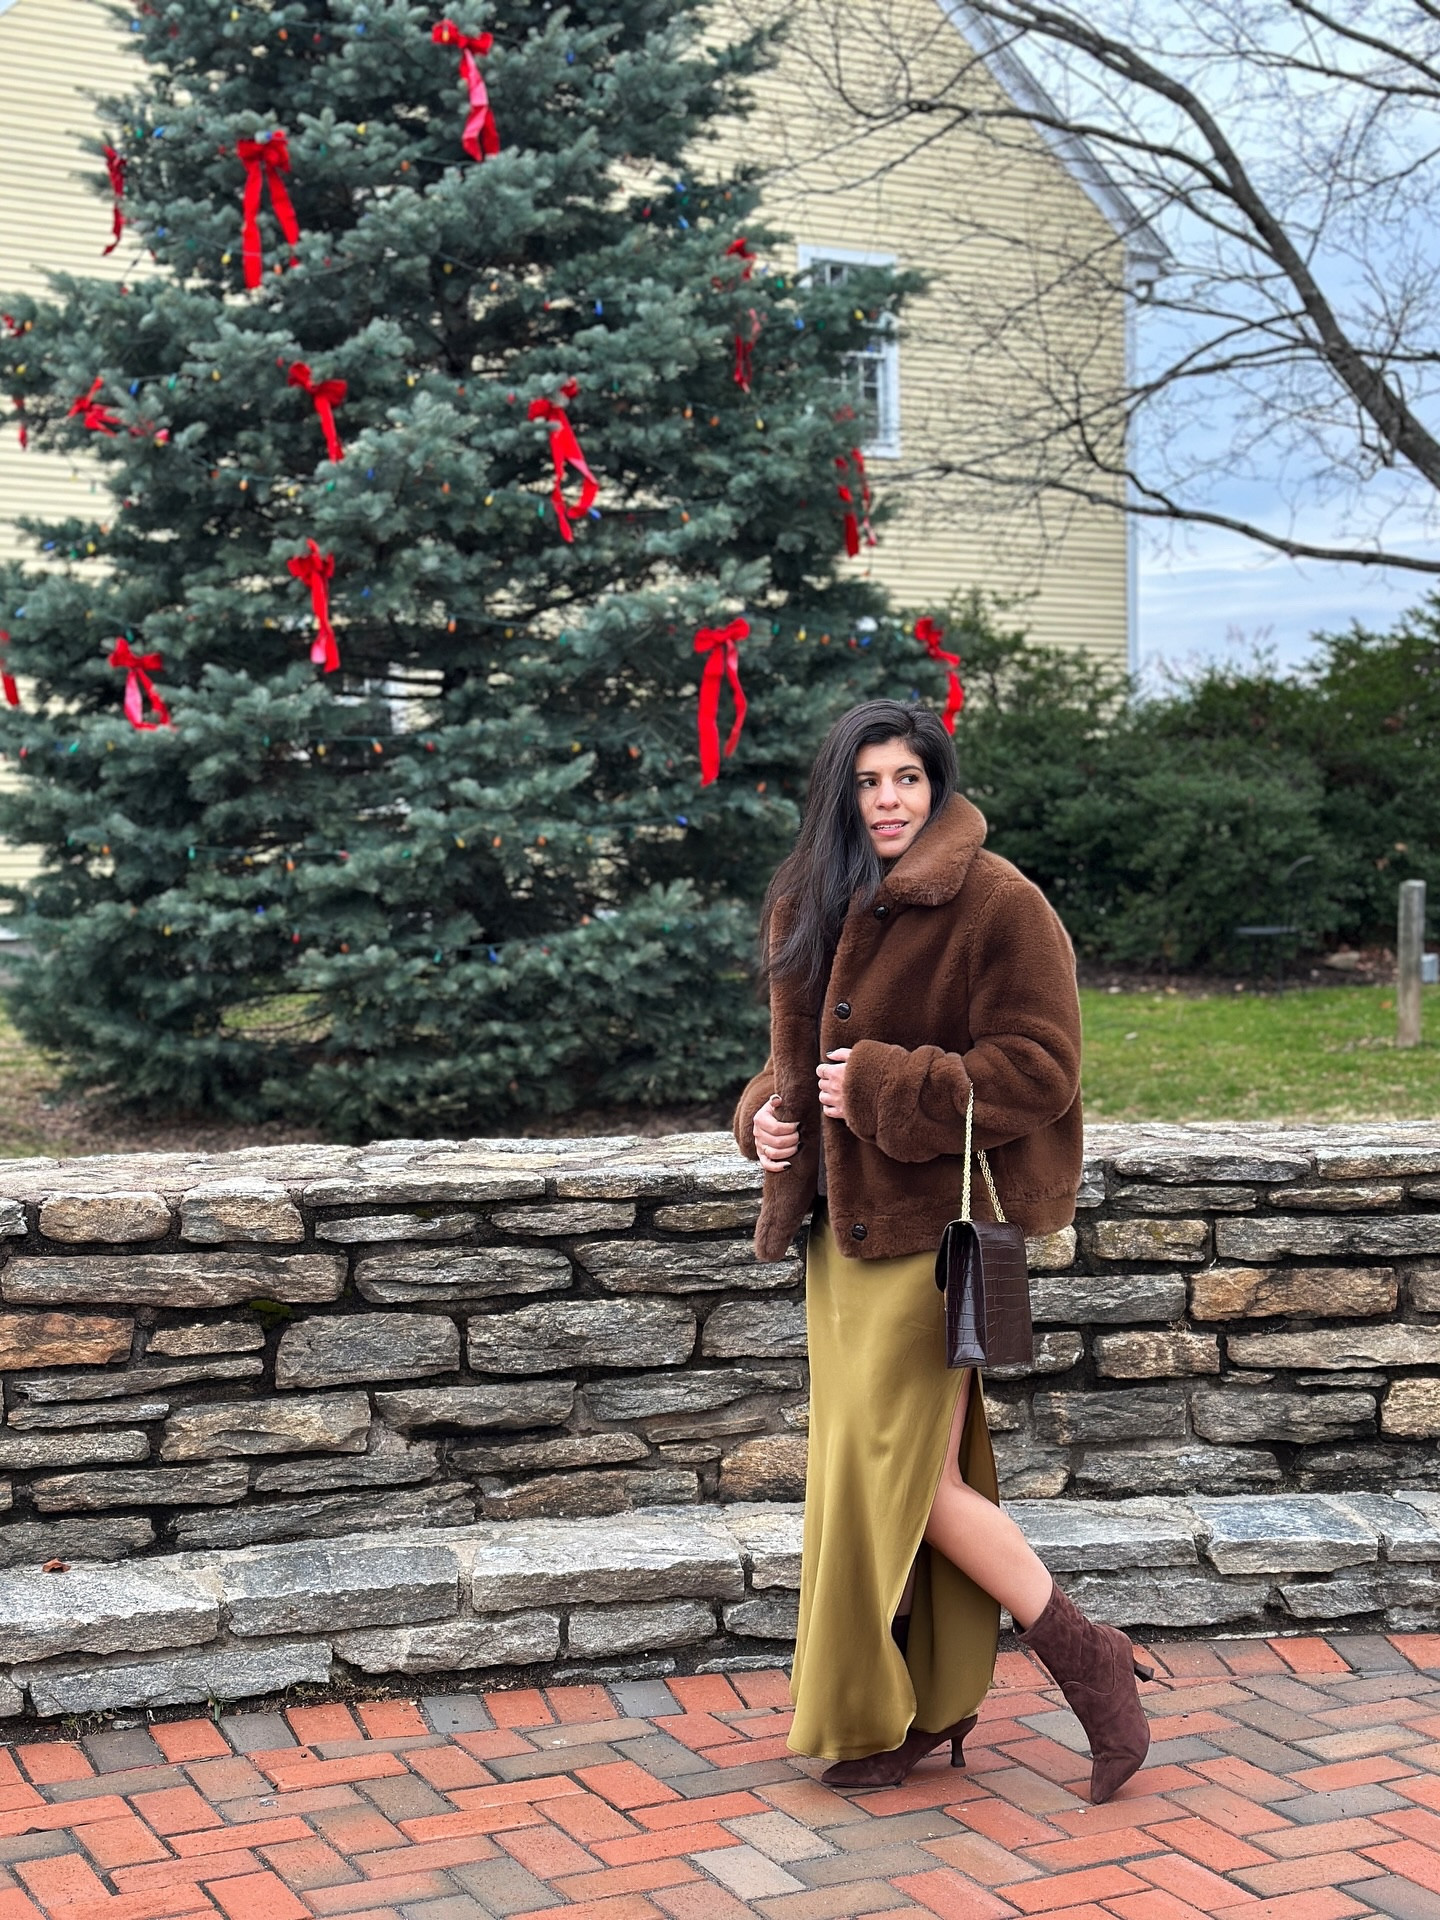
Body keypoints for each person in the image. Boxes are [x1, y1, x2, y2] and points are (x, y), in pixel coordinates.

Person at [732, 698, 1153, 1801]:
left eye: (908, 780)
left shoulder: (998, 900)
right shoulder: (814, 895)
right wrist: (763, 1118)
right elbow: (791, 1062)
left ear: (936, 783)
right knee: (881, 1483)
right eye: (869, 781)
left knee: (901, 1480)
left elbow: (1038, 1068)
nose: (888, 801)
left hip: (932, 1241)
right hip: (840, 1241)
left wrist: (883, 1084)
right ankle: (919, 1709)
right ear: (841, 790)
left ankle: (1087, 1658)